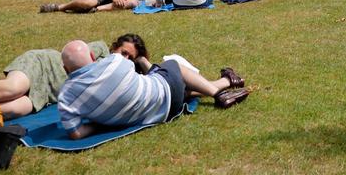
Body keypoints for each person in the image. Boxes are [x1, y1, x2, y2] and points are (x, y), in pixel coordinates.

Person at [0, 34, 149, 130]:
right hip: (44, 65)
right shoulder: (98, 51)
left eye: (130, 57)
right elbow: (75, 57)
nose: (123, 57)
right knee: (14, 88)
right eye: (122, 51)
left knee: (14, 108)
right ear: (114, 46)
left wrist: (143, 65)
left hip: (44, 97)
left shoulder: (121, 77)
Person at [56, 40, 246, 139]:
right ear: (91, 55)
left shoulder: (66, 97)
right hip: (168, 95)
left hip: (161, 111)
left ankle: (226, 82)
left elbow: (76, 133)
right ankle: (219, 93)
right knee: (172, 65)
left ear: (65, 69)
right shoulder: (114, 61)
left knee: (175, 85)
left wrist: (102, 124)